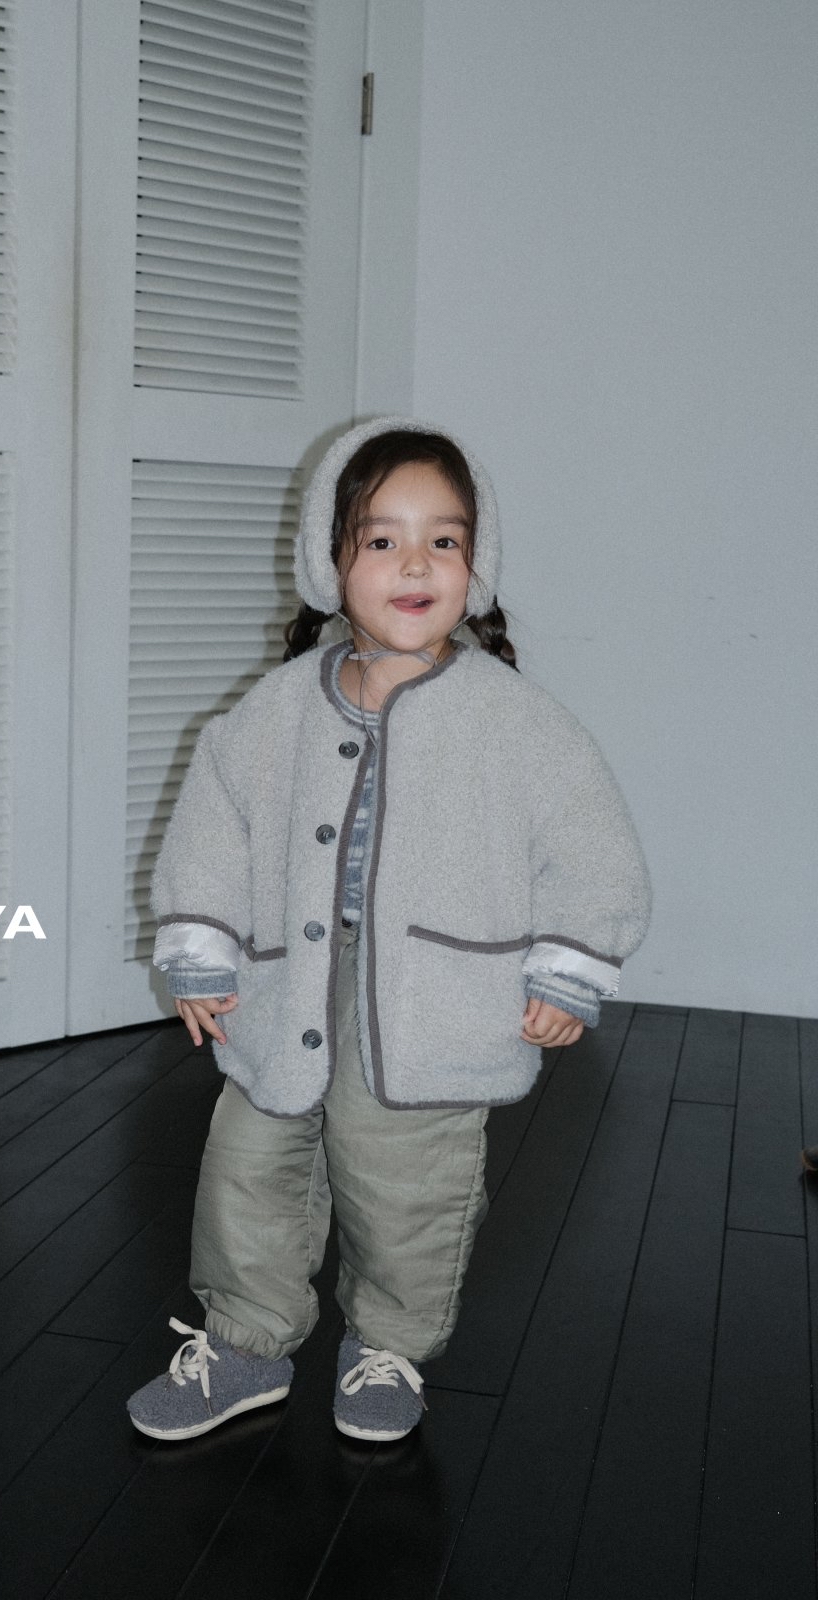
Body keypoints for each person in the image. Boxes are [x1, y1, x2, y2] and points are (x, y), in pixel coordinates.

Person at [125, 414, 654, 1444]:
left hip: (436, 1007)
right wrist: (199, 945)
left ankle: (388, 1344)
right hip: (283, 988)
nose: (415, 563)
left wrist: (567, 968)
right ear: (329, 563)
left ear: (476, 566)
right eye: (381, 538)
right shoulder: (274, 709)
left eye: (442, 540)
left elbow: (594, 850)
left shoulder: (516, 720)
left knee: (408, 1183)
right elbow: (212, 830)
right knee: (248, 1165)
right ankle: (245, 1340)